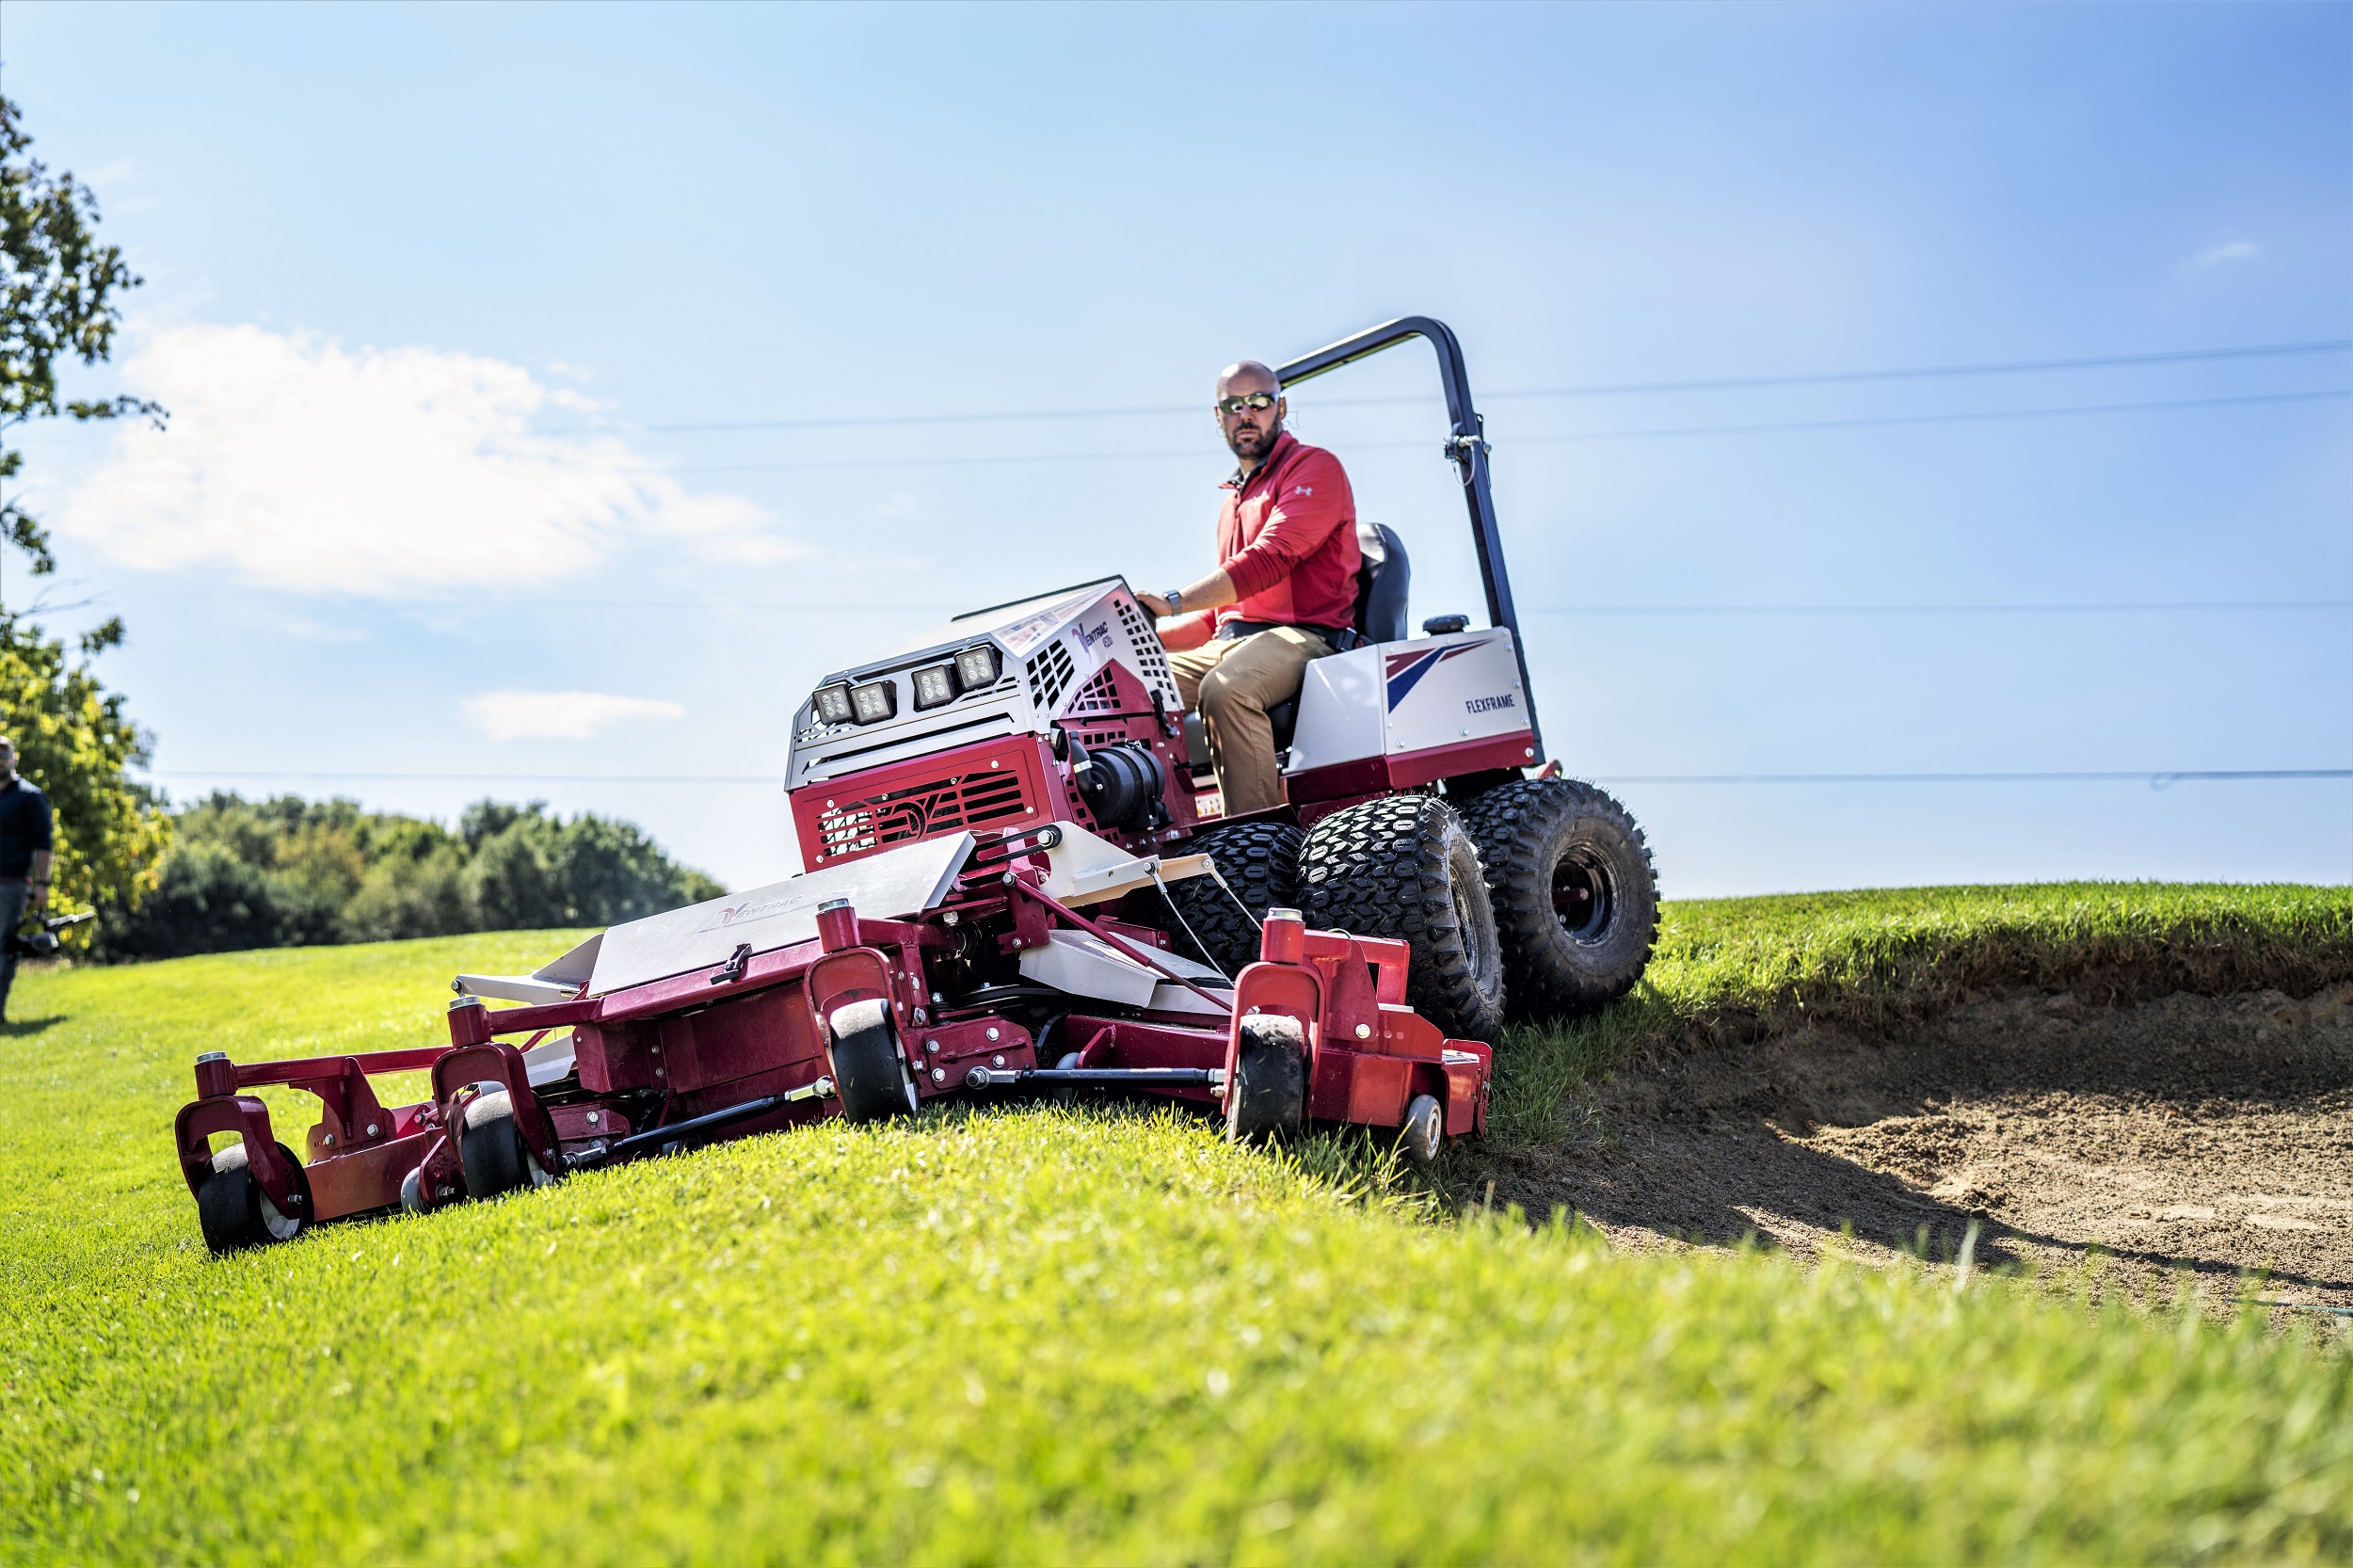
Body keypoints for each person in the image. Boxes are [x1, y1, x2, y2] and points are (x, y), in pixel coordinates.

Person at [1136, 360, 1360, 817]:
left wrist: (1172, 602)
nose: (1246, 414)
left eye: (1258, 401)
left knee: (1227, 689)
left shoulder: (1314, 468)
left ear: (1281, 406)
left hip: (1304, 638)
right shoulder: (1232, 503)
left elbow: (1269, 559)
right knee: (1128, 690)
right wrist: (1138, 644)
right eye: (1232, 405)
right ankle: (1162, 834)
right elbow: (1219, 616)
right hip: (1231, 643)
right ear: (1217, 416)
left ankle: (1258, 844)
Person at [0, 737, 53, 1024]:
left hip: (12, 883)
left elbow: (44, 842)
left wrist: (41, 884)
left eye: (3, 753)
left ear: (14, 758)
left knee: (2, 946)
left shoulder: (29, 796)